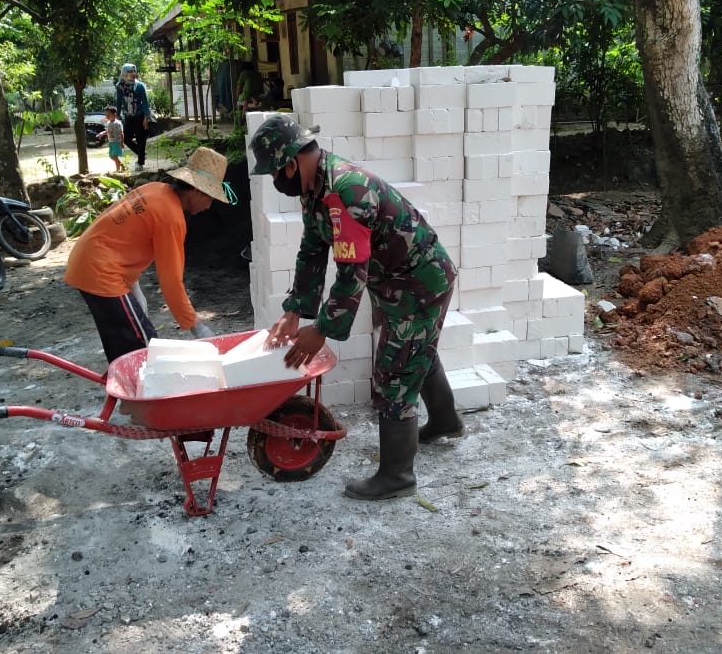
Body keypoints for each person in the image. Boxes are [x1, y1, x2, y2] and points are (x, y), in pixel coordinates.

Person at [249, 114, 465, 501]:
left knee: (394, 372)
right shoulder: (316, 188)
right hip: (397, 281)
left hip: (419, 284)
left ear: (291, 163)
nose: (275, 181)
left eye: (274, 172)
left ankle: (397, 476)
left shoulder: (346, 193)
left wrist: (323, 330)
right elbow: (312, 250)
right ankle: (446, 421)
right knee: (413, 351)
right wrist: (296, 308)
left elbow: (351, 274)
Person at [63, 147, 234, 362]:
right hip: (101, 272)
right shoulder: (171, 218)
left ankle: (124, 393)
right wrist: (196, 327)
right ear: (196, 191)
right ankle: (136, 394)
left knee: (125, 350)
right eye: (210, 198)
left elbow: (122, 236)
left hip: (87, 262)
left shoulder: (155, 190)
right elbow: (171, 282)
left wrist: (133, 285)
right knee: (144, 354)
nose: (209, 206)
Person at [114, 63, 152, 171]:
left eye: (134, 71)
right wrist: (117, 114)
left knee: (141, 139)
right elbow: (119, 100)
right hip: (128, 116)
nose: (133, 73)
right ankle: (142, 154)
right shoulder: (120, 86)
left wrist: (146, 117)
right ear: (125, 73)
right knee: (126, 139)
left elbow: (144, 101)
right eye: (130, 71)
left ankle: (140, 162)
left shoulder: (139, 85)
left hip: (140, 115)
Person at [98, 105, 125, 172]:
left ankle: (119, 169)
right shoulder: (109, 123)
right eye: (106, 114)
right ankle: (121, 166)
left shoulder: (118, 123)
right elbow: (108, 131)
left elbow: (121, 133)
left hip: (116, 142)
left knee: (114, 156)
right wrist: (102, 133)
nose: (107, 116)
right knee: (112, 156)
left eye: (108, 114)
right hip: (111, 142)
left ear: (114, 114)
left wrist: (122, 143)